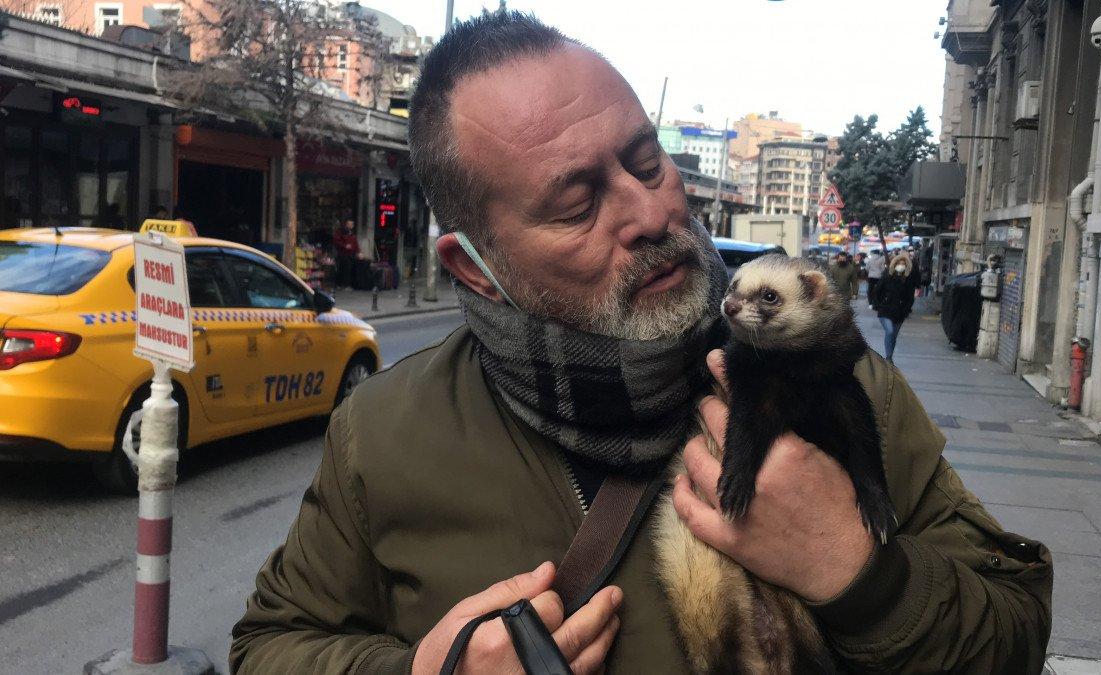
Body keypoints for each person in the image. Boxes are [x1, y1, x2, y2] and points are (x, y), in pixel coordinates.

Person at [230, 12, 1051, 674]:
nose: (651, 213)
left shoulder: (838, 382)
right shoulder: (383, 434)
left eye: (645, 160)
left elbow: (1014, 625)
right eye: (579, 202)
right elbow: (269, 645)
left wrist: (863, 578)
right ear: (476, 270)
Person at [875, 250, 919, 363]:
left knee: (893, 335)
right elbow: (877, 291)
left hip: (900, 312)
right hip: (885, 310)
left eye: (904, 264)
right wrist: (879, 304)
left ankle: (889, 355)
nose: (901, 266)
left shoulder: (908, 280)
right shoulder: (887, 276)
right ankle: (888, 357)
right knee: (889, 332)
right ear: (894, 265)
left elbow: (910, 296)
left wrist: (906, 309)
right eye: (899, 264)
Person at [332, 218, 360, 288]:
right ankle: (341, 284)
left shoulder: (352, 233)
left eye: (352, 224)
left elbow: (355, 243)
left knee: (349, 269)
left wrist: (358, 252)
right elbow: (336, 241)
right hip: (342, 253)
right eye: (349, 224)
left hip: (351, 254)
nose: (350, 226)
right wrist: (344, 246)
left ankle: (347, 284)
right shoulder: (340, 232)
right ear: (346, 224)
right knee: (343, 269)